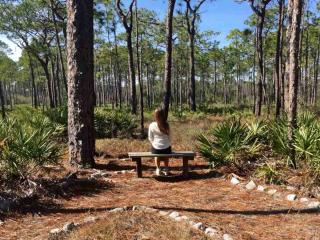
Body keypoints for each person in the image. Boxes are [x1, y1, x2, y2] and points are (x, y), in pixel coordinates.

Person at [148, 107, 172, 176]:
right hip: (167, 148)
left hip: (156, 149)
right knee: (166, 154)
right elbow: (170, 137)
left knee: (156, 155)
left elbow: (150, 138)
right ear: (163, 115)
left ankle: (158, 169)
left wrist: (154, 144)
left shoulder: (152, 125)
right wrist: (167, 144)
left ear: (155, 115)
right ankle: (166, 169)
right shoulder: (167, 125)